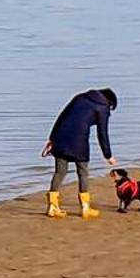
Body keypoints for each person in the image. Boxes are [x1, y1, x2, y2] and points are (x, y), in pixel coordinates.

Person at [41, 87, 118, 218]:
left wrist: (52, 138)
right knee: (83, 172)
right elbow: (102, 133)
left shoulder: (80, 97)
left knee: (60, 172)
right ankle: (85, 208)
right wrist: (108, 155)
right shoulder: (102, 107)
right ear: (109, 102)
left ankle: (52, 207)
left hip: (60, 137)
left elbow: (62, 115)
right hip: (79, 141)